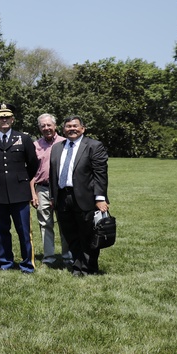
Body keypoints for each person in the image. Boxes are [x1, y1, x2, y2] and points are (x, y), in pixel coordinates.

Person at [49, 116, 110, 277]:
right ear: (63, 130)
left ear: (83, 128)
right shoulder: (57, 148)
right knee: (70, 234)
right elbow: (52, 174)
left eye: (75, 126)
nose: (72, 129)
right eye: (68, 126)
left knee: (88, 234)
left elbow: (100, 174)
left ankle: (90, 267)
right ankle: (78, 266)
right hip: (63, 198)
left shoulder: (93, 146)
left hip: (86, 198)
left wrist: (100, 198)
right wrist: (52, 197)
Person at [0, 103, 39, 272]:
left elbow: (33, 163)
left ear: (13, 119)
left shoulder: (23, 138)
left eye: (7, 117)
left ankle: (27, 263)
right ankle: (5, 262)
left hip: (19, 192)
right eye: (1, 117)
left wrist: (22, 179)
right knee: (1, 231)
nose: (4, 120)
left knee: (24, 231)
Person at [31, 113, 70, 268]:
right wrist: (32, 193)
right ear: (39, 128)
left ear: (55, 126)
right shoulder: (35, 145)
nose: (46, 128)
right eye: (43, 126)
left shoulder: (65, 142)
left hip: (61, 190)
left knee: (64, 222)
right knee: (45, 223)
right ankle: (49, 257)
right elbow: (31, 172)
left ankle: (68, 256)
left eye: (49, 125)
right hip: (42, 189)